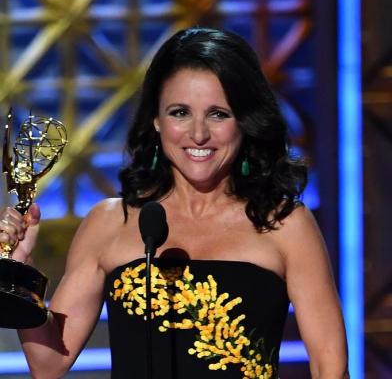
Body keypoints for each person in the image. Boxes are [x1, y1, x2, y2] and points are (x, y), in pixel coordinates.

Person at [0, 27, 348, 379]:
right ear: (156, 119)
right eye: (180, 112)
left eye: (218, 114)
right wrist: (19, 273)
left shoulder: (285, 224)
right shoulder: (110, 222)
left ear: (244, 120)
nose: (198, 134)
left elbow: (330, 368)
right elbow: (48, 365)